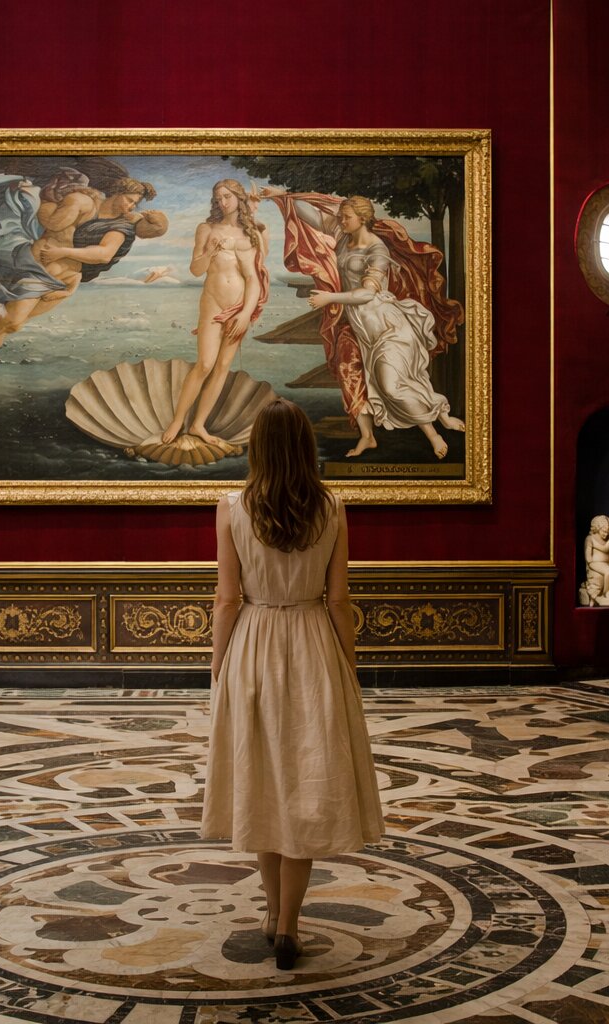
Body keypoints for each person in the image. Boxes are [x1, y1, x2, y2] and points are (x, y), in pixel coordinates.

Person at [202, 398, 383, 972]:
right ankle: (288, 925)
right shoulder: (332, 508)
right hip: (311, 644)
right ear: (306, 447)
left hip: (254, 641)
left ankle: (271, 911)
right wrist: (348, 668)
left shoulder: (231, 507)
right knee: (305, 784)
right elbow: (339, 599)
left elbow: (227, 599)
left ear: (256, 447)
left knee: (261, 779)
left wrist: (218, 662)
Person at [262, 188, 465, 459]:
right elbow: (313, 217)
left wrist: (329, 297)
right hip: (360, 328)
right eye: (341, 216)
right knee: (351, 374)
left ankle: (437, 428)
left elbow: (369, 293)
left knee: (394, 385)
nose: (340, 220)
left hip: (387, 328)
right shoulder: (342, 235)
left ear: (362, 219)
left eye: (346, 217)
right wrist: (281, 196)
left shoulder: (377, 249)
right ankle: (367, 437)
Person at [0, 174, 161, 393]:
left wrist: (64, 253)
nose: (131, 205)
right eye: (129, 199)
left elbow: (104, 254)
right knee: (11, 320)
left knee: (14, 325)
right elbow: (51, 221)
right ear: (118, 191)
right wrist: (55, 200)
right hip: (39, 267)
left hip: (65, 280)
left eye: (135, 203)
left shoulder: (121, 225)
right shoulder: (85, 201)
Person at [160, 179, 269, 446]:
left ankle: (197, 425)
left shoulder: (251, 233)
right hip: (213, 303)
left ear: (238, 198)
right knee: (205, 364)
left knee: (222, 367)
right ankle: (178, 421)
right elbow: (196, 270)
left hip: (238, 307)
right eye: (218, 198)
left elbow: (253, 278)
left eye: (227, 197)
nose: (222, 202)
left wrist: (245, 313)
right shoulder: (206, 229)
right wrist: (209, 251)